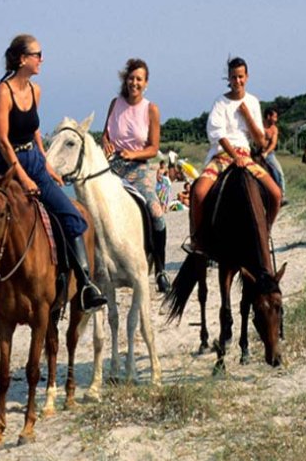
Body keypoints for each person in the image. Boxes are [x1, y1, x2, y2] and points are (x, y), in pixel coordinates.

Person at [0, 34, 106, 311]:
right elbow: (4, 141)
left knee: (72, 216)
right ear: (22, 59)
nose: (42, 59)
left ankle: (85, 284)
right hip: (7, 167)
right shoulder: (3, 92)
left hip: (33, 160)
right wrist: (24, 177)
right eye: (37, 54)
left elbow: (34, 131)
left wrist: (45, 165)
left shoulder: (36, 90)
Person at [189, 57, 282, 253]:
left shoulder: (253, 102)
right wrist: (233, 156)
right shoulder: (220, 102)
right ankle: (199, 240)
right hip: (222, 155)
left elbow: (260, 140)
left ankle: (265, 232)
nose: (237, 81)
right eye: (233, 77)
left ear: (247, 77)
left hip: (246, 156)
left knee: (275, 194)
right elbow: (218, 134)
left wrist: (247, 115)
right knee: (198, 193)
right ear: (228, 79)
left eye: (241, 77)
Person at [101, 58, 171, 293]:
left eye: (139, 79)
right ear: (125, 79)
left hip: (138, 168)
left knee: (156, 213)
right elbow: (105, 135)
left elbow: (153, 148)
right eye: (131, 78)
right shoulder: (115, 103)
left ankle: (160, 268)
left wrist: (134, 154)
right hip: (113, 165)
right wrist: (107, 144)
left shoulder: (151, 109)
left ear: (146, 83)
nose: (134, 82)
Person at [262, 108, 287, 204]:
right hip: (255, 152)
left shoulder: (274, 129)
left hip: (269, 155)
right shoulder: (258, 125)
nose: (276, 119)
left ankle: (282, 195)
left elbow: (273, 144)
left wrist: (266, 152)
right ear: (268, 116)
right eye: (275, 117)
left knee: (279, 172)